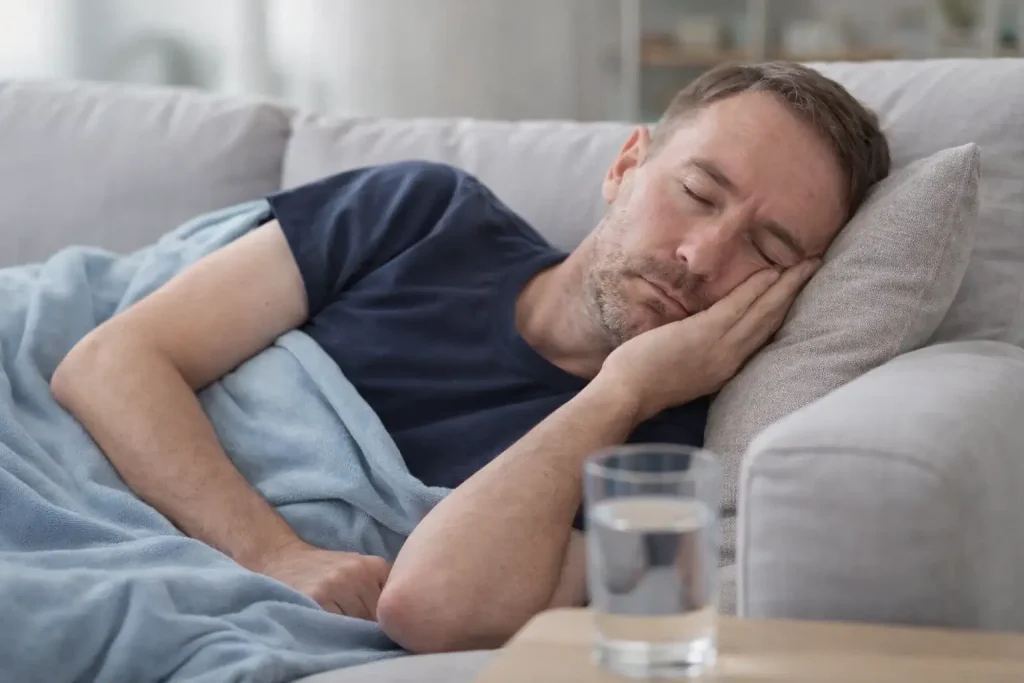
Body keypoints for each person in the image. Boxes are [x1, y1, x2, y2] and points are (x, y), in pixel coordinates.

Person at [51, 62, 890, 653]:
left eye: (768, 250)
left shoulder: (662, 458)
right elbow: (109, 359)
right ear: (627, 166)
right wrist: (275, 553)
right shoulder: (424, 214)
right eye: (697, 194)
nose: (702, 256)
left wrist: (620, 391)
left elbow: (432, 608)